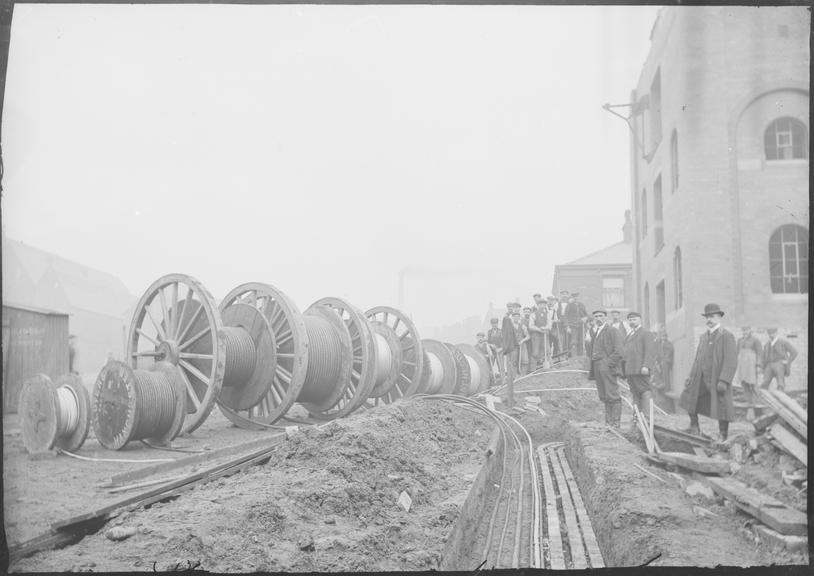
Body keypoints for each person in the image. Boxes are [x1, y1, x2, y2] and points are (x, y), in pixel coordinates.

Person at [678, 303, 737, 442]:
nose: (709, 319)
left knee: (722, 405)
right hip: (700, 377)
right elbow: (698, 358)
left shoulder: (726, 336)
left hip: (717, 378)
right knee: (688, 396)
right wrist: (691, 376)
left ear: (719, 317)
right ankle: (694, 427)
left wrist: (724, 380)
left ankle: (723, 435)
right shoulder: (704, 337)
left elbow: (731, 360)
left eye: (712, 316)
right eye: (707, 317)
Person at [586, 309, 624, 428]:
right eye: (596, 316)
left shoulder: (612, 330)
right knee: (605, 396)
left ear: (606, 318)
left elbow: (619, 351)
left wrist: (607, 363)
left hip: (607, 366)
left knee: (612, 394)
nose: (598, 318)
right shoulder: (596, 332)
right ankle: (608, 423)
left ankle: (615, 423)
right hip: (597, 366)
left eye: (601, 316)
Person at [621, 312, 656, 424]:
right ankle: (637, 416)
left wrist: (646, 365)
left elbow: (650, 351)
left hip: (641, 369)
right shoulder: (629, 335)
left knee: (645, 390)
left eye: (634, 319)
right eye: (630, 320)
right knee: (635, 392)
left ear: (640, 320)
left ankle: (647, 417)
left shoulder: (646, 333)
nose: (632, 322)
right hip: (631, 370)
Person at [734, 326, 763, 413]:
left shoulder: (755, 340)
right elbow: (737, 353)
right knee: (744, 383)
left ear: (750, 330)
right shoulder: (739, 340)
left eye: (746, 330)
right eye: (743, 330)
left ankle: (759, 403)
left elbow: (759, 353)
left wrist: (758, 365)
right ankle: (749, 403)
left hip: (751, 365)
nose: (745, 332)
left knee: (753, 384)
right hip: (742, 365)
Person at [528, 296, 550, 372]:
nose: (542, 306)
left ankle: (548, 368)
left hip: (544, 334)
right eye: (541, 304)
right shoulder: (533, 314)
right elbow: (531, 326)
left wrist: (546, 328)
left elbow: (549, 325)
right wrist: (539, 329)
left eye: (544, 304)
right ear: (538, 305)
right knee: (535, 352)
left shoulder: (547, 314)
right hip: (536, 335)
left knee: (547, 350)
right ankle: (532, 370)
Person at [653, 327, 674, 393]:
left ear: (666, 337)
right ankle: (659, 383)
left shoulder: (668, 343)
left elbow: (670, 350)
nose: (663, 338)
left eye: (664, 337)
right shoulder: (661, 343)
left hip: (666, 361)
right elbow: (659, 352)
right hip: (661, 360)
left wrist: (666, 357)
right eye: (662, 336)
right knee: (656, 369)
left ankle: (667, 388)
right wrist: (657, 360)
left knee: (665, 374)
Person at [487, 318, 504, 383]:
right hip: (492, 352)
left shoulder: (501, 331)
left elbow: (504, 342)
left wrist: (500, 348)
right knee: (490, 366)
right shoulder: (489, 332)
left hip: (500, 351)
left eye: (496, 323)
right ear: (491, 324)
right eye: (493, 324)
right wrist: (491, 345)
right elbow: (488, 342)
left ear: (497, 324)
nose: (494, 325)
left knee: (501, 366)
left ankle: (503, 380)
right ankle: (491, 380)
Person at [513, 311, 531, 376]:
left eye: (517, 317)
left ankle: (523, 375)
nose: (516, 318)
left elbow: (528, 336)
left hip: (522, 345)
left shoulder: (522, 326)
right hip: (514, 346)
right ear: (512, 318)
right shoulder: (510, 327)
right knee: (514, 362)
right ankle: (515, 376)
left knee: (525, 361)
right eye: (515, 317)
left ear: (519, 318)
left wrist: (523, 340)